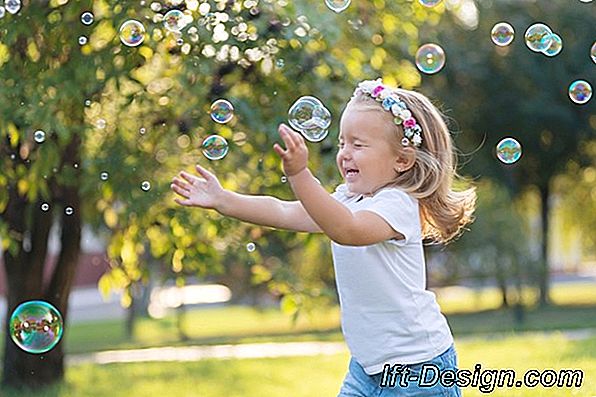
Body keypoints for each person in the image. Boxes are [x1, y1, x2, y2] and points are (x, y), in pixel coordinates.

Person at [170, 78, 476, 396]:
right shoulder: (347, 200)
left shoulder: (397, 203)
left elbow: (347, 230)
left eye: (358, 145)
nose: (344, 154)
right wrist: (225, 200)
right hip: (367, 367)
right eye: (343, 143)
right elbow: (284, 212)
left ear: (402, 159)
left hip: (417, 368)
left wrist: (300, 175)